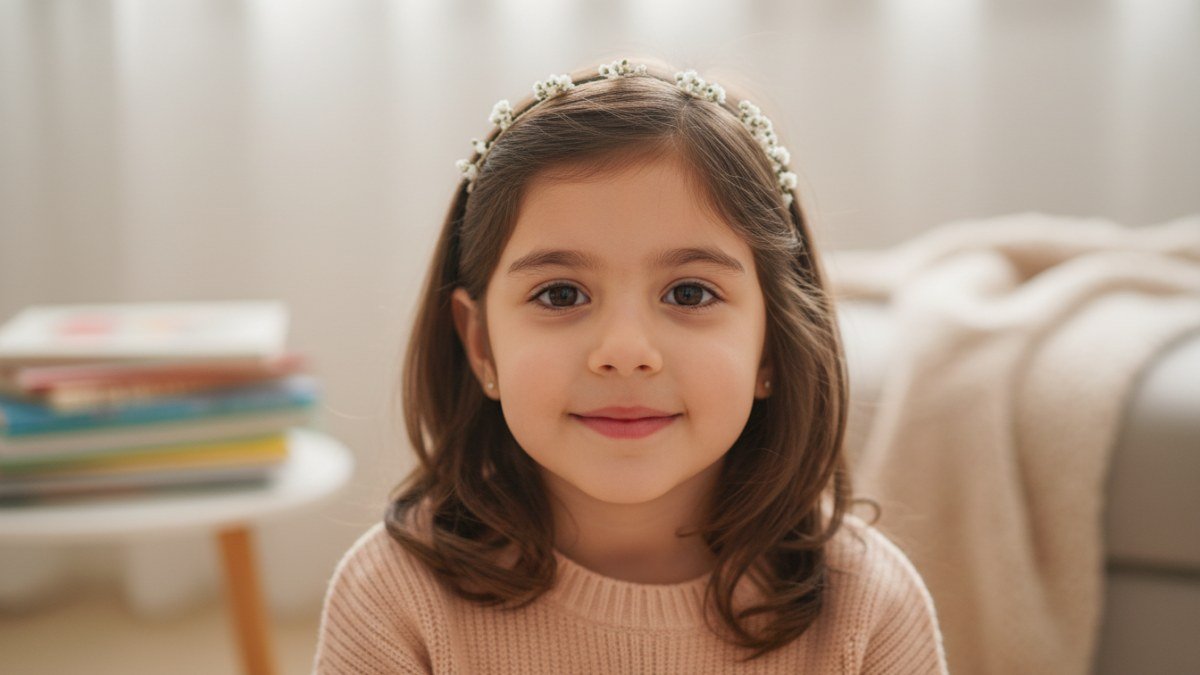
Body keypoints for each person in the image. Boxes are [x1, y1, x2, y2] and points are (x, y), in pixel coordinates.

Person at [312, 56, 948, 674]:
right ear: (480, 346)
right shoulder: (395, 599)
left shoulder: (869, 605)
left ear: (772, 347)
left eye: (690, 293)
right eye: (560, 294)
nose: (624, 352)